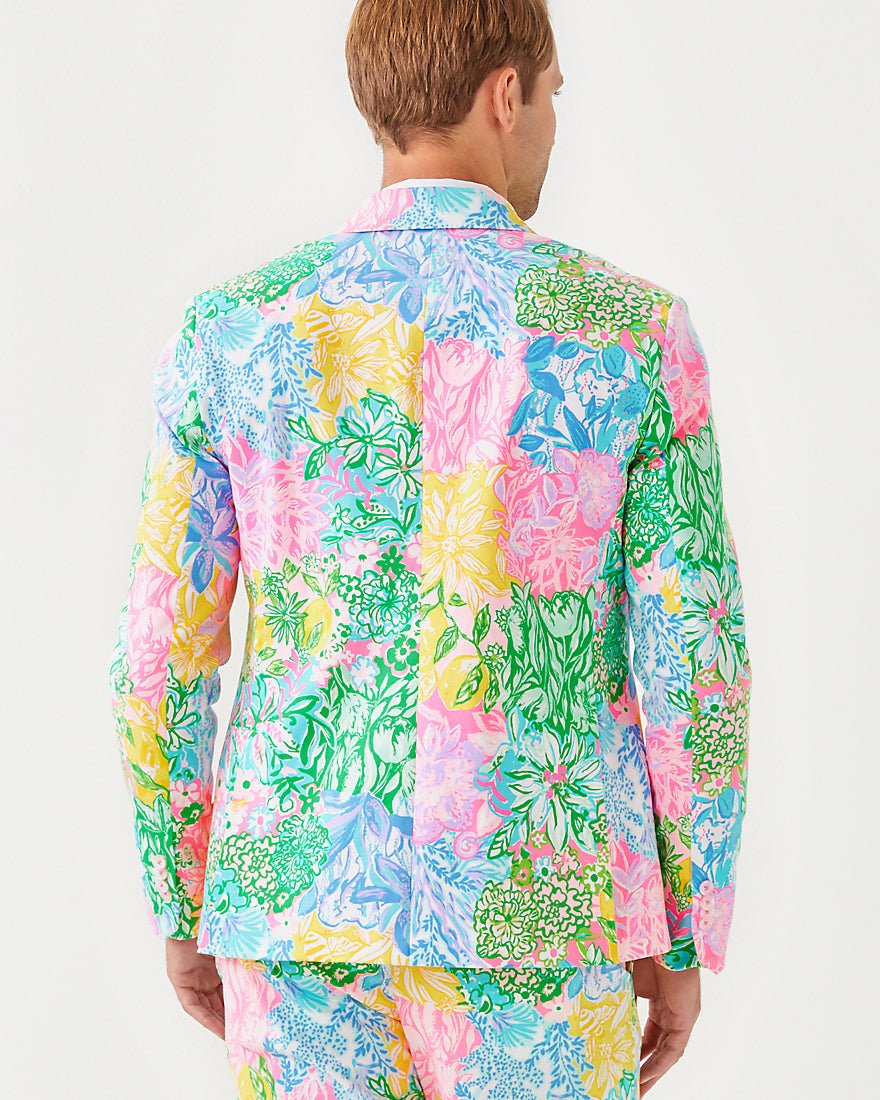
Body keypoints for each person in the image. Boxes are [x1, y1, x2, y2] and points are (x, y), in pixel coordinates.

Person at [108, 1, 751, 1096]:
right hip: (544, 911)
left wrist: (184, 894)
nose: (552, 121)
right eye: (551, 93)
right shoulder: (631, 333)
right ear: (505, 93)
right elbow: (699, 663)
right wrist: (683, 927)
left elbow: (158, 649)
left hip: (292, 904)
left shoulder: (232, 331)